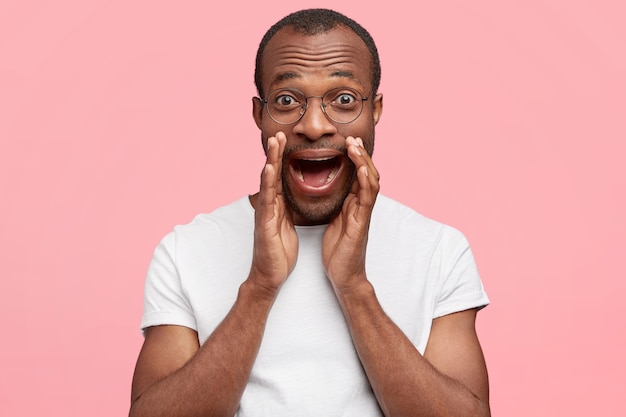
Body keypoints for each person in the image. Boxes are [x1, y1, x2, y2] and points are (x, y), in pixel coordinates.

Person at [129, 8, 490, 417]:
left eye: (344, 100)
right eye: (286, 100)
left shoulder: (439, 249)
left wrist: (353, 288)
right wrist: (260, 288)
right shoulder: (185, 250)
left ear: (375, 111)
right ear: (258, 115)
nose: (315, 125)